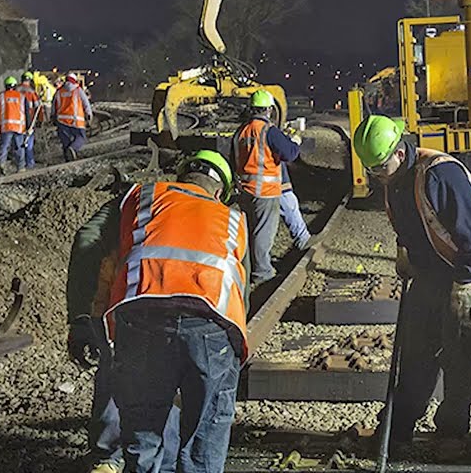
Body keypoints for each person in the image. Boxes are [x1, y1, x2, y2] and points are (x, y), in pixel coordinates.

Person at [66, 150, 248, 473]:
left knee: (143, 439)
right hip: (210, 329)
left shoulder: (142, 198)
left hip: (141, 322)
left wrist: (84, 319)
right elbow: (238, 297)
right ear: (220, 192)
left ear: (179, 179)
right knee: (203, 443)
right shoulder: (231, 219)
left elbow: (87, 238)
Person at [352, 115, 471, 448]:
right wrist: (405, 253)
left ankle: (451, 434)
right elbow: (410, 223)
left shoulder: (440, 174)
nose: (375, 176)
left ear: (399, 152)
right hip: (430, 276)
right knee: (414, 355)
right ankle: (396, 431)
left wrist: (465, 285)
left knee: (460, 359)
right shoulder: (395, 179)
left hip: (466, 277)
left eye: (379, 167)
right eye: (371, 169)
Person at [231, 89, 300, 286]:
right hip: (266, 192)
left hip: (244, 190)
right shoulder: (269, 131)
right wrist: (295, 141)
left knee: (249, 231)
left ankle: (247, 269)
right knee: (263, 233)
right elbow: (289, 154)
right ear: (269, 110)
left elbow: (233, 160)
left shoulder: (240, 132)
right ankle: (262, 273)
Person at [0, 75, 33, 175]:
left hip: (5, 127)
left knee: (4, 146)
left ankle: (1, 164)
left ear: (6, 86)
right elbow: (27, 113)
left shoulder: (0, 96)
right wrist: (28, 126)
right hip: (19, 127)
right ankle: (21, 167)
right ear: (15, 86)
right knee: (19, 147)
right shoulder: (22, 97)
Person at [54, 72, 93, 161]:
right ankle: (73, 149)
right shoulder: (78, 90)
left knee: (65, 141)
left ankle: (68, 159)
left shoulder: (59, 91)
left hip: (62, 121)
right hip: (76, 120)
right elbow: (86, 104)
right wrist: (89, 115)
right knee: (81, 137)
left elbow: (54, 105)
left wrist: (53, 117)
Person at [20, 73, 43, 169]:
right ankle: (30, 163)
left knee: (19, 142)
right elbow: (38, 107)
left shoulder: (16, 90)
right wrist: (40, 120)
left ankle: (20, 163)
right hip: (30, 120)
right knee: (28, 143)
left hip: (18, 120)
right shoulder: (31, 92)